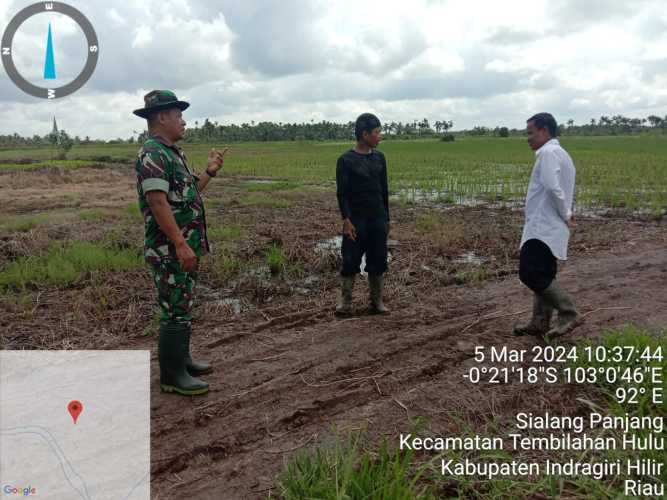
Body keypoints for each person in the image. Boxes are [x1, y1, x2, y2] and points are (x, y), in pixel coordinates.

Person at [133, 90, 228, 395]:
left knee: (183, 304)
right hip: (168, 249)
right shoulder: (153, 154)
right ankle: (172, 376)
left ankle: (182, 360)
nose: (184, 122)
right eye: (178, 115)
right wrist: (179, 243)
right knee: (174, 308)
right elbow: (158, 202)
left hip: (183, 246)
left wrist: (210, 171)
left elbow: (190, 194)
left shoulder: (173, 152)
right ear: (161, 117)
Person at [514, 112, 581, 339]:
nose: (528, 138)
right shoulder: (560, 153)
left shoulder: (548, 153)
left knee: (530, 273)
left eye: (531, 133)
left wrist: (566, 214)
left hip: (543, 227)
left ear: (544, 130)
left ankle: (568, 312)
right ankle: (539, 323)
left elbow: (553, 188)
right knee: (542, 274)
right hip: (548, 227)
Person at [335, 113, 390, 316]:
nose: (380, 136)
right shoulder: (345, 161)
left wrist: (387, 219)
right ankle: (346, 304)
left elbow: (384, 190)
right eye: (377, 132)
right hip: (355, 220)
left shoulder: (380, 158)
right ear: (364, 134)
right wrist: (346, 220)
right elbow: (342, 193)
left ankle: (377, 302)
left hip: (377, 218)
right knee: (350, 260)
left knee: (378, 260)